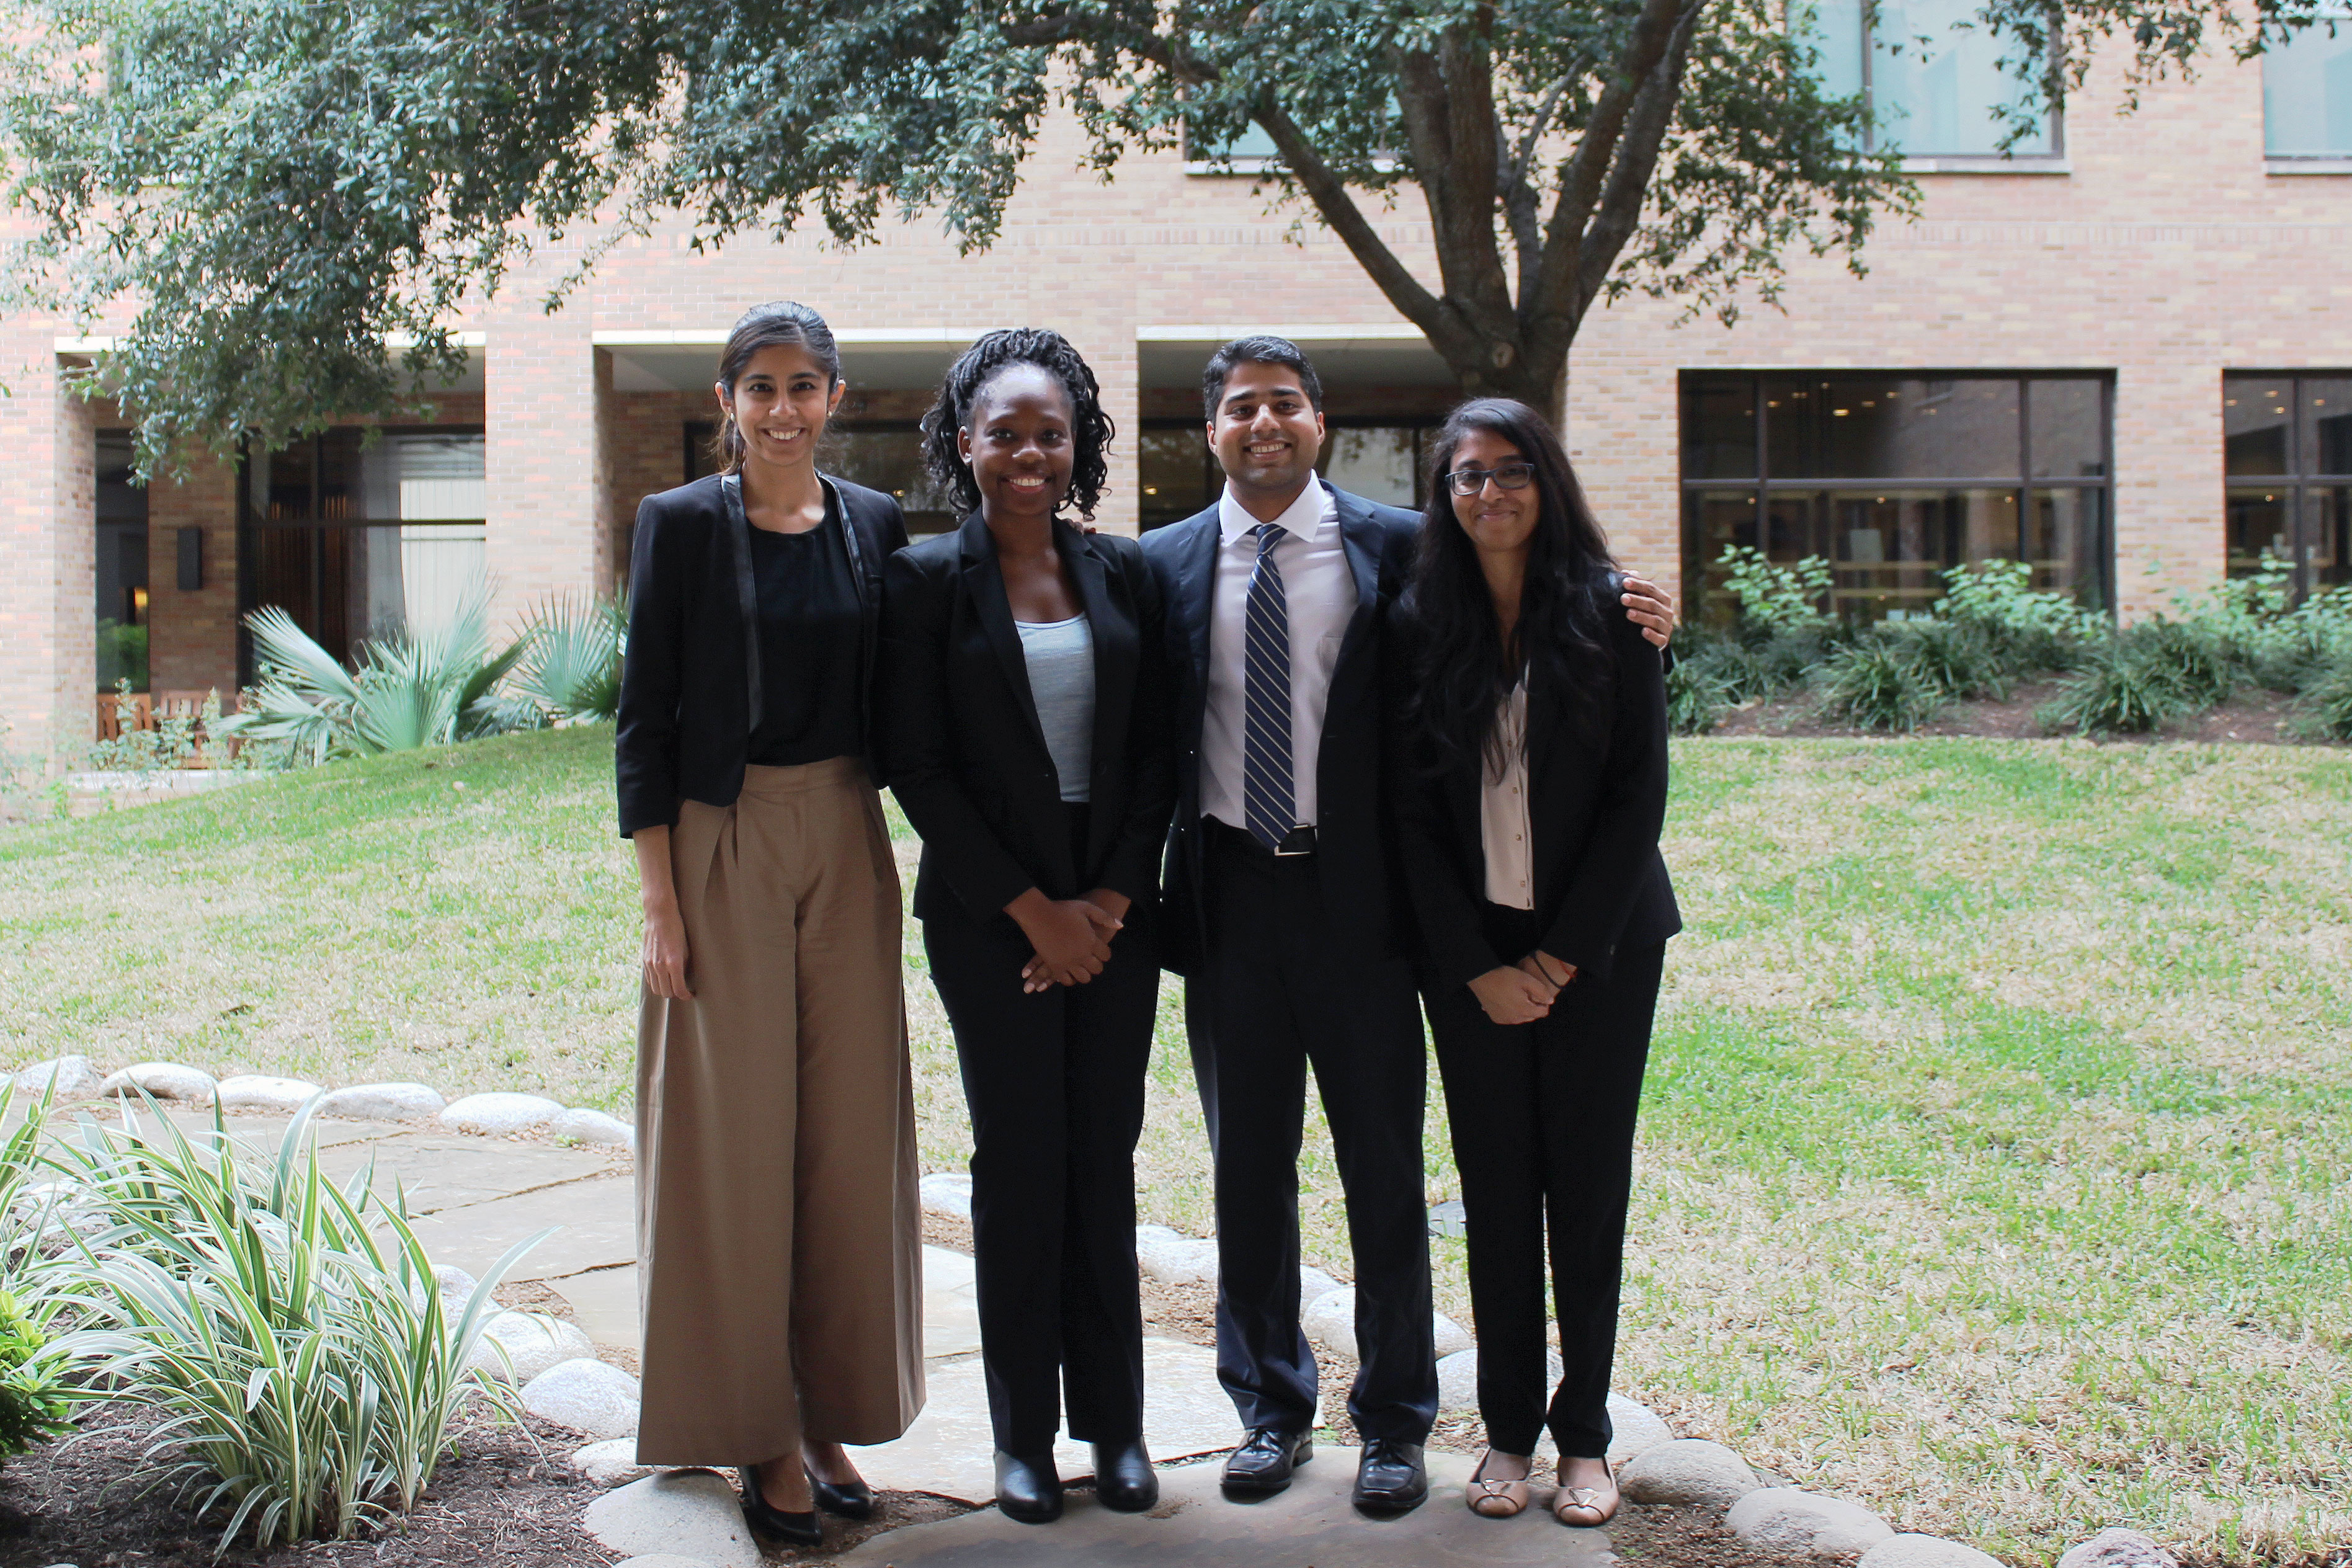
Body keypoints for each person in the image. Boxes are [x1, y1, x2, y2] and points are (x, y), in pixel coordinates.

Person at [1136, 337, 1678, 1517]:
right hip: (1229, 899)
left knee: (1382, 1162)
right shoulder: (1160, 564)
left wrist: (1643, 607)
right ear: (1209, 430)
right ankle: (1269, 1411)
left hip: (1366, 906)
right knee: (1248, 1171)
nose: (1263, 424)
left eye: (1286, 403)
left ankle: (1394, 1422)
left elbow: (1540, 649)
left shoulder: (1401, 548)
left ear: (1321, 421)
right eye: (1241, 408)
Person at [615, 301, 924, 1550]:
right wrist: (660, 897)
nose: (784, 408)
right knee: (731, 1142)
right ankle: (758, 1428)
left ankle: (833, 1403)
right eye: (762, 387)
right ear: (728, 400)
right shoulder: (680, 525)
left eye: (806, 386)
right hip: (719, 835)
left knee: (845, 1137)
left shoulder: (877, 525)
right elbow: (644, 712)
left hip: (847, 830)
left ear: (835, 398)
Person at [878, 329, 1175, 1526]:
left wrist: (1101, 904)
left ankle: (1118, 1428)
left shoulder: (1125, 577)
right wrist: (1034, 913)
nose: (1028, 453)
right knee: (1018, 1163)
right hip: (988, 914)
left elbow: (1156, 750)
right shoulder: (921, 581)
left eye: (1050, 432)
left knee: (1102, 1160)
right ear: (966, 443)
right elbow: (919, 766)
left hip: (1114, 912)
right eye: (1005, 432)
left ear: (1077, 443)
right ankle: (1020, 1440)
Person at [1389, 398, 1680, 1527]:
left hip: (1599, 955)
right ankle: (1508, 1430)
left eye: (1512, 472)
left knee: (1587, 1191)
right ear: (1445, 495)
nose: (1490, 493)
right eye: (1467, 476)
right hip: (1471, 961)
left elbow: (1636, 800)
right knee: (1497, 1189)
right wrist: (1475, 965)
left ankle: (1586, 1436)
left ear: (1547, 484)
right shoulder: (1418, 622)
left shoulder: (1616, 617)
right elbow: (1408, 814)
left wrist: (1557, 961)